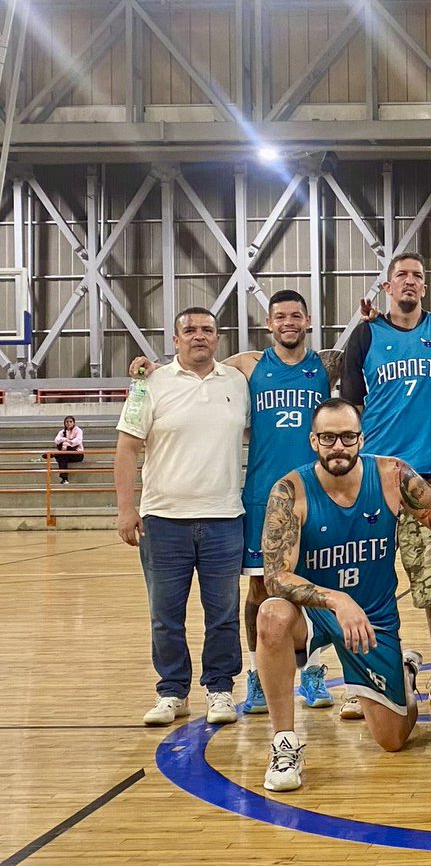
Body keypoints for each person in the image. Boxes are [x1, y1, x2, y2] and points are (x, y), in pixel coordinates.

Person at [131, 290, 343, 717]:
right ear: (269, 323)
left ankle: (313, 669)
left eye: (296, 316)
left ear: (308, 322)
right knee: (260, 588)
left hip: (315, 492)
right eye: (280, 316)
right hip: (262, 496)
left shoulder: (326, 365)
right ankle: (256, 673)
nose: (288, 323)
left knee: (317, 584)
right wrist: (152, 371)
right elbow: (196, 367)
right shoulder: (246, 366)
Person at [254, 399, 431, 792]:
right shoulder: (291, 490)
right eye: (328, 438)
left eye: (347, 437)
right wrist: (337, 600)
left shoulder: (392, 476)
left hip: (373, 618)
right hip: (317, 612)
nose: (338, 446)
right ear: (313, 441)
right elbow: (275, 578)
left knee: (392, 740)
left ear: (361, 439)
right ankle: (284, 743)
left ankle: (405, 675)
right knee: (271, 614)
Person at [341, 252, 431, 716]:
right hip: (373, 480)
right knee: (365, 584)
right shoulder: (366, 334)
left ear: (425, 286)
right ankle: (364, 677)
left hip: (429, 478)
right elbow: (350, 405)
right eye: (401, 275)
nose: (410, 282)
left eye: (418, 275)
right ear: (387, 286)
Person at [115, 307, 250, 727]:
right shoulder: (149, 385)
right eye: (189, 330)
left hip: (224, 518)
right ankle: (172, 691)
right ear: (175, 340)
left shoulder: (237, 383)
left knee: (223, 615)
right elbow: (127, 448)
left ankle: (220, 689)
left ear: (218, 338)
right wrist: (125, 507)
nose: (198, 336)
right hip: (163, 520)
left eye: (207, 330)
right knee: (165, 616)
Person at [52, 415, 84, 484]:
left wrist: (66, 444)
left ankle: (55, 455)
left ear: (74, 423)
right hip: (66, 454)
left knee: (62, 454)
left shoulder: (78, 430)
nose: (69, 423)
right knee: (62, 456)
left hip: (77, 454)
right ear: (64, 423)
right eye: (67, 422)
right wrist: (66, 440)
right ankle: (64, 479)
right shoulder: (62, 432)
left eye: (70, 421)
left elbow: (78, 440)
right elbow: (56, 440)